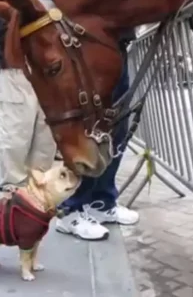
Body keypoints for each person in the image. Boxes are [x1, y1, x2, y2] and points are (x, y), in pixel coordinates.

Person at [56, 30, 140, 240]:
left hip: (116, 42)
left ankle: (101, 201)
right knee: (92, 130)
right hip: (87, 43)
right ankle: (70, 209)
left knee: (116, 128)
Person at [0, 8, 56, 188]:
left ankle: (39, 190)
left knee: (46, 139)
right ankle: (14, 190)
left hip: (50, 69)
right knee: (17, 136)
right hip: (17, 68)